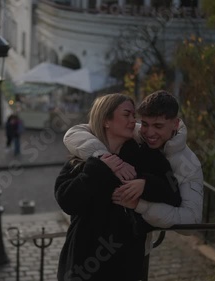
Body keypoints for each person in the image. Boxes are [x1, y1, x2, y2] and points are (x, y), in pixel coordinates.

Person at [55, 93, 180, 281]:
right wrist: (99, 166)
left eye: (133, 116)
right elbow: (66, 200)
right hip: (82, 264)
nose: (133, 121)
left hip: (125, 265)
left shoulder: (146, 156)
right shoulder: (83, 158)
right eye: (127, 115)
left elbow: (174, 194)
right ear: (106, 120)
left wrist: (145, 184)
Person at [63, 90, 203, 230]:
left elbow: (191, 220)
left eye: (158, 126)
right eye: (145, 124)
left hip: (135, 246)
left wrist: (140, 202)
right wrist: (103, 158)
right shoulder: (132, 132)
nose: (149, 133)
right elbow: (76, 132)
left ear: (175, 124)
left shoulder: (189, 163)